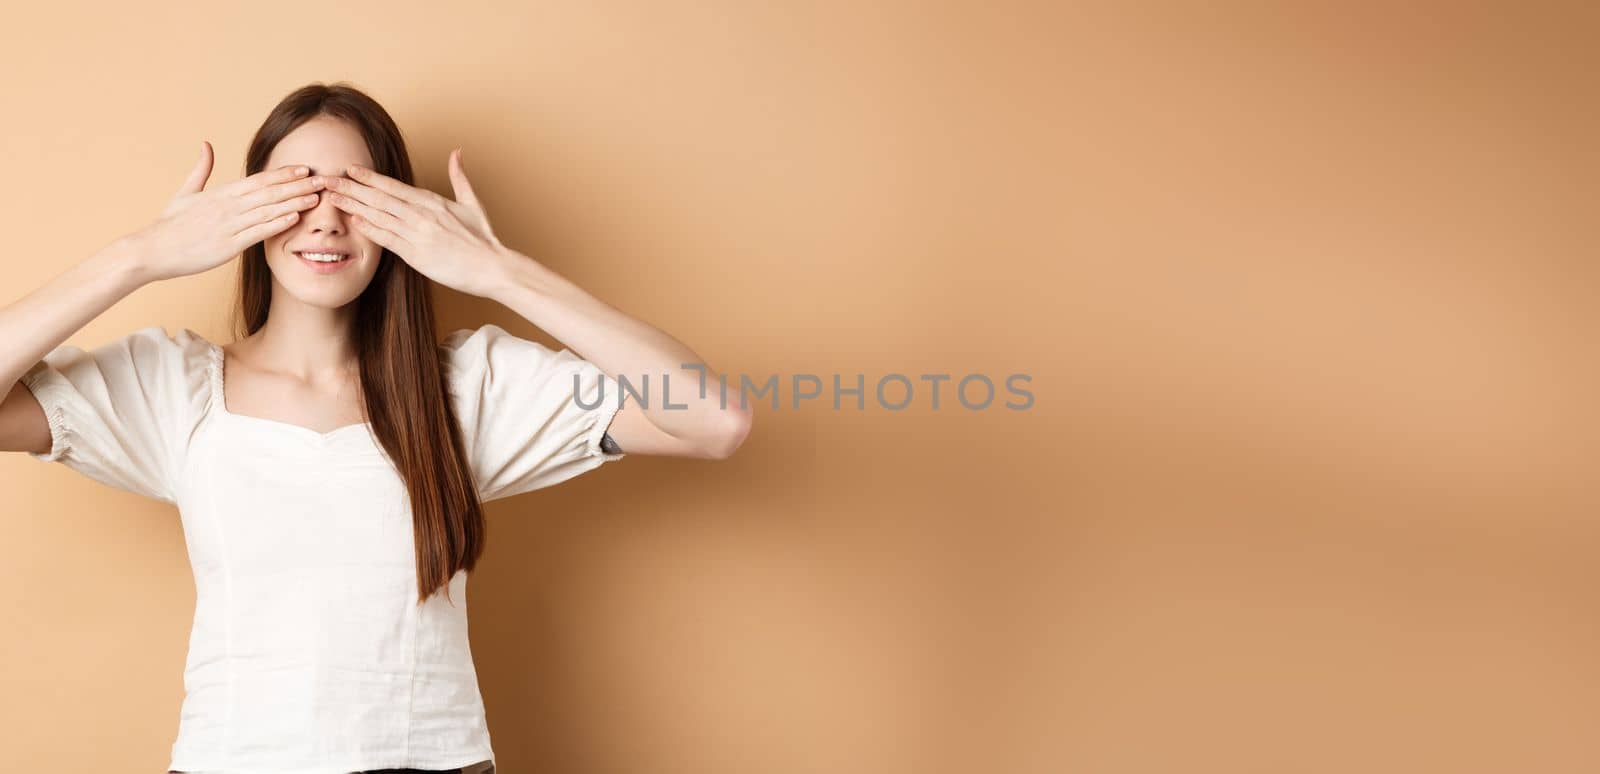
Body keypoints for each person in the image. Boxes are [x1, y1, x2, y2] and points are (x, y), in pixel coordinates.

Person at [0, 82, 752, 774]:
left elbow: (714, 419)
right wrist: (138, 258)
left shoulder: (466, 389)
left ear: (405, 214)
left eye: (356, 191)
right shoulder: (175, 388)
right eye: (295, 188)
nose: (325, 216)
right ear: (244, 210)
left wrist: (498, 271)